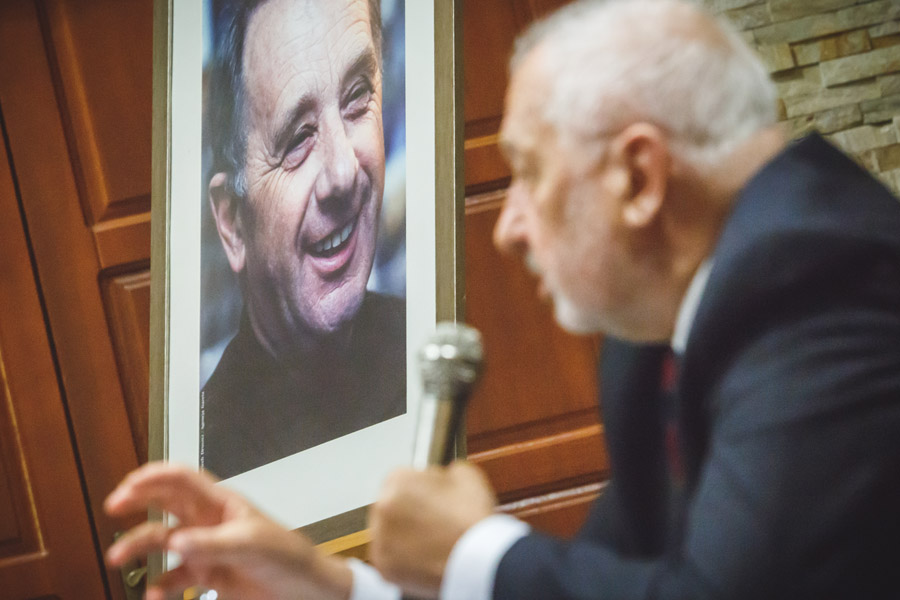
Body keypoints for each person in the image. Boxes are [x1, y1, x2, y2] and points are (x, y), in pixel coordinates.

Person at [106, 0, 900, 598]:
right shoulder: (653, 342)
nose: (507, 226)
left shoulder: (817, 283)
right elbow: (615, 578)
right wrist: (327, 585)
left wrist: (473, 550)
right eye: (297, 137)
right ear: (230, 219)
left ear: (638, 178)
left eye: (528, 171)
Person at [200, 0, 406, 479]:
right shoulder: (213, 470)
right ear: (233, 224)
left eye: (357, 97)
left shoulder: (422, 347)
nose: (344, 172)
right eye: (297, 138)